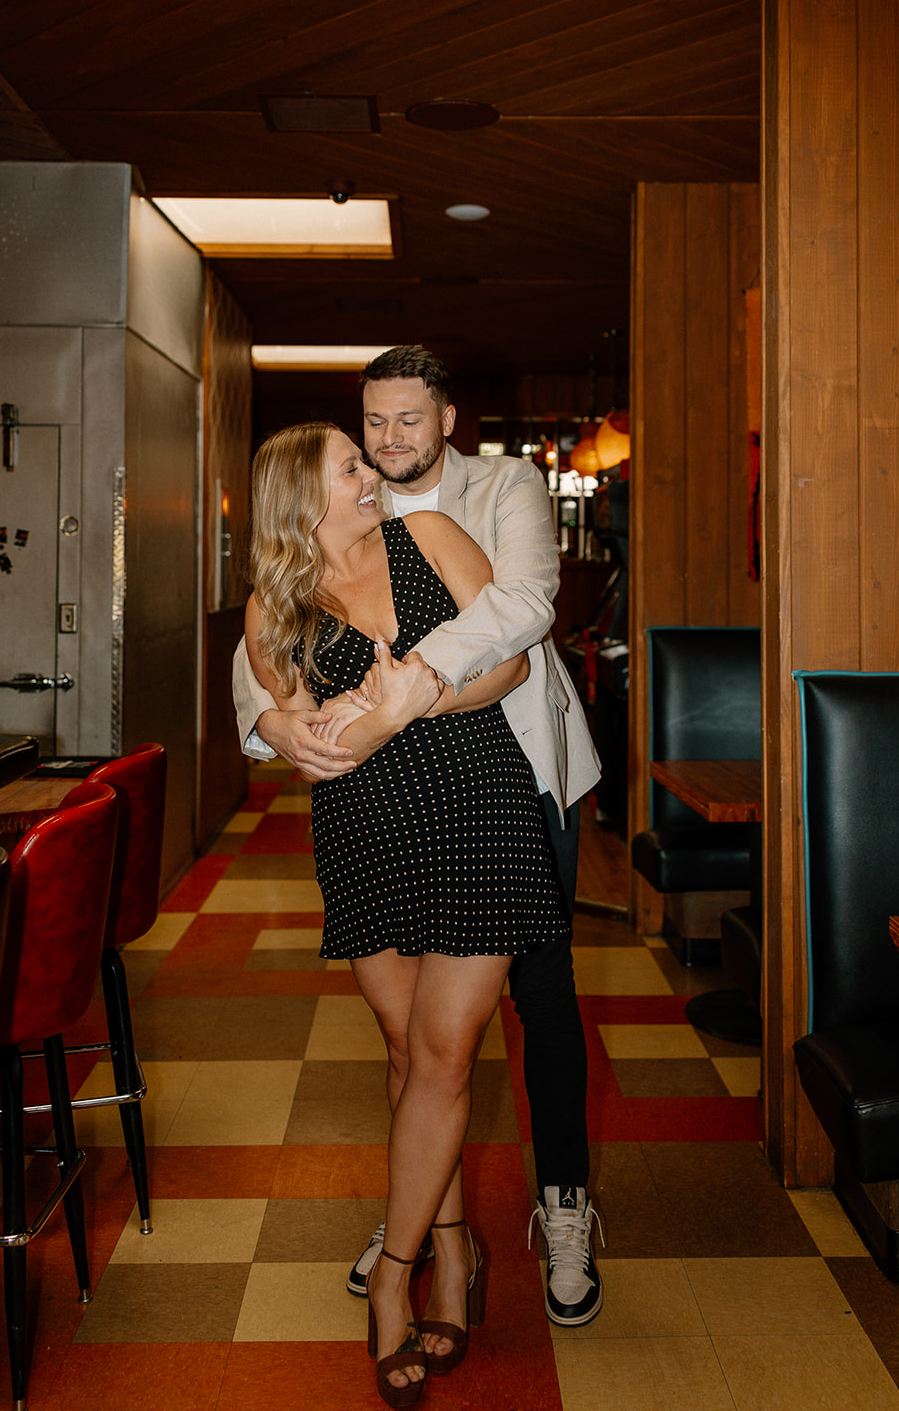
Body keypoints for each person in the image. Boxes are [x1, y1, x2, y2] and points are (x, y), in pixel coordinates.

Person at [233, 347, 606, 1329]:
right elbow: (287, 705)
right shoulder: (276, 603)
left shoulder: (448, 520)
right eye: (354, 456)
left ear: (440, 418)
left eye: (390, 436)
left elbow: (514, 645)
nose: (376, 460)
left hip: (489, 795)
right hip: (365, 829)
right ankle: (446, 1240)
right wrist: (282, 727)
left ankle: (417, 1260)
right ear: (301, 500)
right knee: (407, 1047)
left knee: (465, 1038)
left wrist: (403, 702)